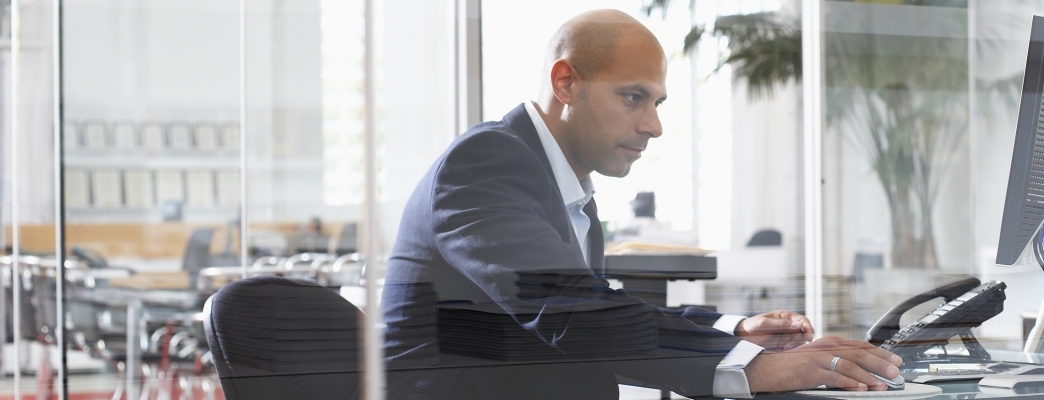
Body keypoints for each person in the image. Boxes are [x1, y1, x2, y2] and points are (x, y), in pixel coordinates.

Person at [381, 9, 902, 399]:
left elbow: (595, 302)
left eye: (657, 102)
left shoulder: (562, 185)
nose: (654, 125)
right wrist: (753, 365)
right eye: (634, 97)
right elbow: (569, 311)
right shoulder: (487, 161)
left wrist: (733, 331)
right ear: (566, 83)